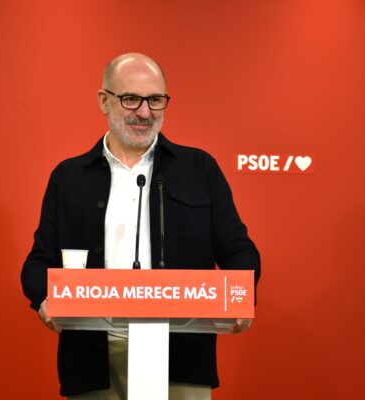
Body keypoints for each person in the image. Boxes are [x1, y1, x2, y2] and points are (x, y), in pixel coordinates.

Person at [21, 53, 261, 399]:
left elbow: (239, 250)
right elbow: (38, 261)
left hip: (181, 354)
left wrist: (241, 296)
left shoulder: (199, 168)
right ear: (104, 101)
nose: (145, 112)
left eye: (156, 100)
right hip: (93, 357)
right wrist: (45, 297)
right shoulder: (69, 177)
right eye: (131, 99)